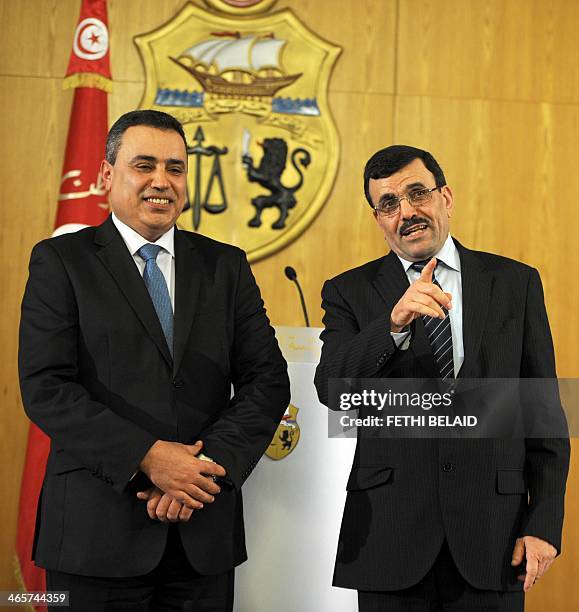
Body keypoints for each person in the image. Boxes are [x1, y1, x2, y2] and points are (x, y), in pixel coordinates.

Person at [19, 109, 290, 611]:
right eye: (144, 165)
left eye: (175, 168)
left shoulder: (224, 265)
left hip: (201, 535)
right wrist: (150, 457)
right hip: (94, 536)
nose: (161, 182)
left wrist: (201, 470)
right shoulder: (61, 262)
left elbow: (267, 380)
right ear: (106, 174)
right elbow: (46, 387)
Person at [314, 145, 569, 611]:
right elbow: (331, 389)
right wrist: (390, 327)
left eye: (417, 194)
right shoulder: (349, 291)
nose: (406, 212)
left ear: (445, 197)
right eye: (389, 203)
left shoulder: (515, 283)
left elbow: (543, 414)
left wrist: (544, 523)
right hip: (389, 537)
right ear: (378, 218)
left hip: (494, 535)